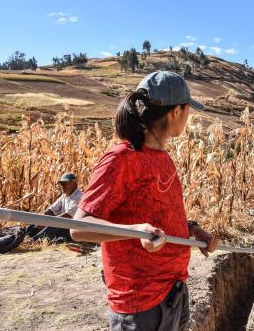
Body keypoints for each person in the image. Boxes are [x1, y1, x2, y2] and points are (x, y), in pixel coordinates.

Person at [70, 71, 218, 331]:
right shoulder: (120, 160)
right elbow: (79, 227)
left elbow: (161, 212)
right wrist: (135, 231)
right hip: (141, 305)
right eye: (187, 110)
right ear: (175, 112)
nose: (188, 117)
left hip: (174, 292)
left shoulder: (163, 157)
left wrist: (192, 230)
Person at [23, 172, 84, 242]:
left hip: (73, 229)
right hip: (64, 224)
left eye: (65, 183)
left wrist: (47, 221)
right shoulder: (64, 196)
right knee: (40, 221)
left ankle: (34, 241)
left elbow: (68, 216)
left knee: (54, 223)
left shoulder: (80, 196)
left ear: (74, 183)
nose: (62, 186)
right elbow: (50, 210)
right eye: (61, 184)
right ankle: (23, 235)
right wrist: (40, 220)